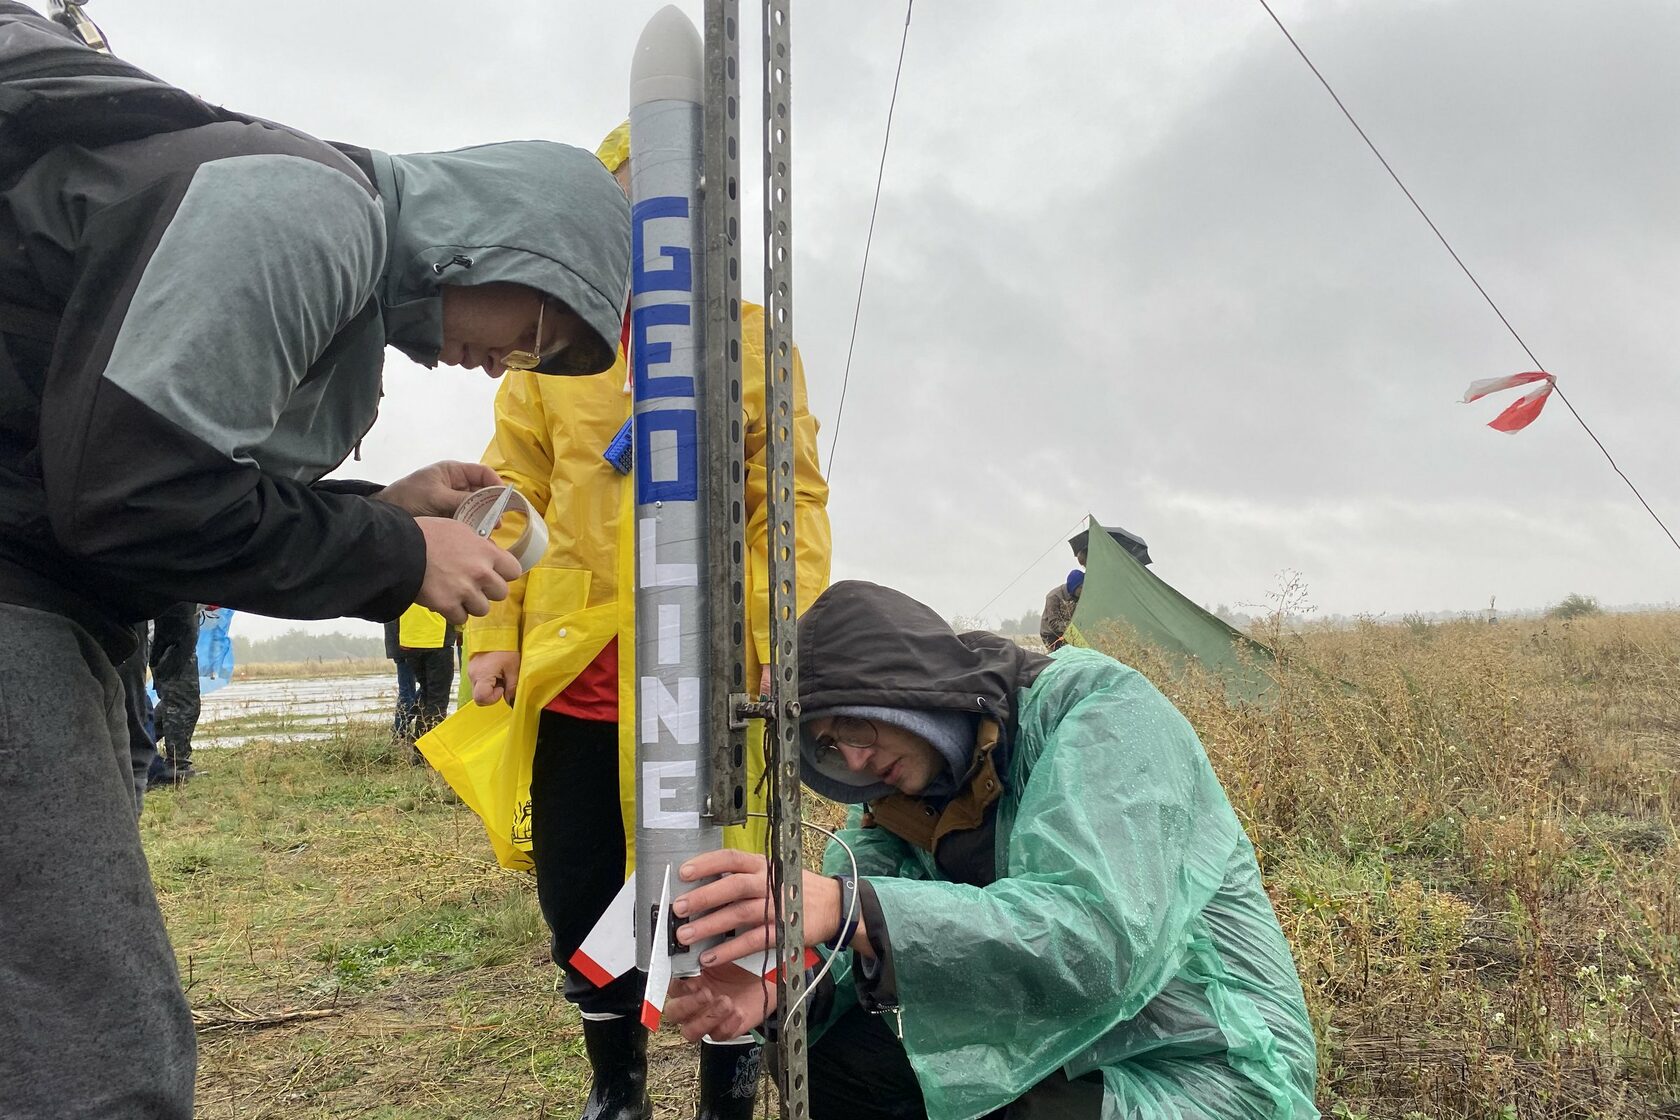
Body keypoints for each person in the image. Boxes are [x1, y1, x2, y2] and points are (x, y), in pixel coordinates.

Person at [0, 7, 632, 1117]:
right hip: (22, 601)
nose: (507, 369)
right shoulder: (311, 209)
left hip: (53, 591)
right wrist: (396, 553)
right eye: (537, 330)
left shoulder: (318, 241)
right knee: (93, 1040)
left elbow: (124, 470)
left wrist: (373, 509)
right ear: (511, 237)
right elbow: (129, 497)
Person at [459, 123, 831, 1120]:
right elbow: (512, 491)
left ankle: (728, 1090)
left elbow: (785, 502)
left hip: (711, 677)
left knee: (721, 887)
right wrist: (492, 635)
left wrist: (770, 638)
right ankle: (615, 1085)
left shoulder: (753, 339)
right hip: (579, 671)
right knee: (581, 887)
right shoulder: (550, 344)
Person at [662, 581, 1319, 1120]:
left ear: (905, 686)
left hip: (1208, 1063)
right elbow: (842, 944)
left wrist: (851, 908)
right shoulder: (899, 803)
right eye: (829, 746)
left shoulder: (1100, 713)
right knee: (837, 1049)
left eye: (856, 722)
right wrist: (772, 989)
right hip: (1058, 1039)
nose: (854, 756)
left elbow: (1097, 941)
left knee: (1006, 1110)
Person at [386, 603, 458, 751]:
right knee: (437, 700)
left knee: (426, 695)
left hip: (409, 640)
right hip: (436, 637)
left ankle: (419, 749)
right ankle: (429, 752)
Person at [148, 602, 204, 786]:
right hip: (170, 639)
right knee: (182, 703)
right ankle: (176, 767)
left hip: (170, 638)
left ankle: (136, 748)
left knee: (172, 703)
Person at [1039, 567, 1083, 650]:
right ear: (1075, 587)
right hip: (1051, 635)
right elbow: (1054, 624)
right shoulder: (1053, 597)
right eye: (1081, 587)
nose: (1083, 590)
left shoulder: (1078, 596)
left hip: (1068, 632)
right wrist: (1073, 627)